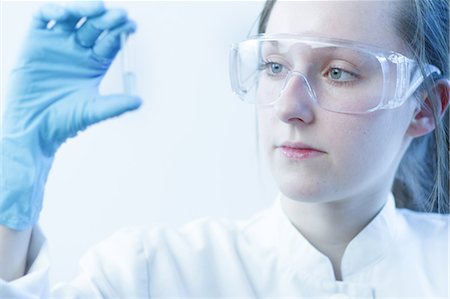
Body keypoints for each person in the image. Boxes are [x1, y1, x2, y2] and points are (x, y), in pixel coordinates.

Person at [1, 0, 449, 297]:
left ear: (424, 106)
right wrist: (13, 194)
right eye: (274, 66)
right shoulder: (150, 275)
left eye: (338, 72)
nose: (290, 107)